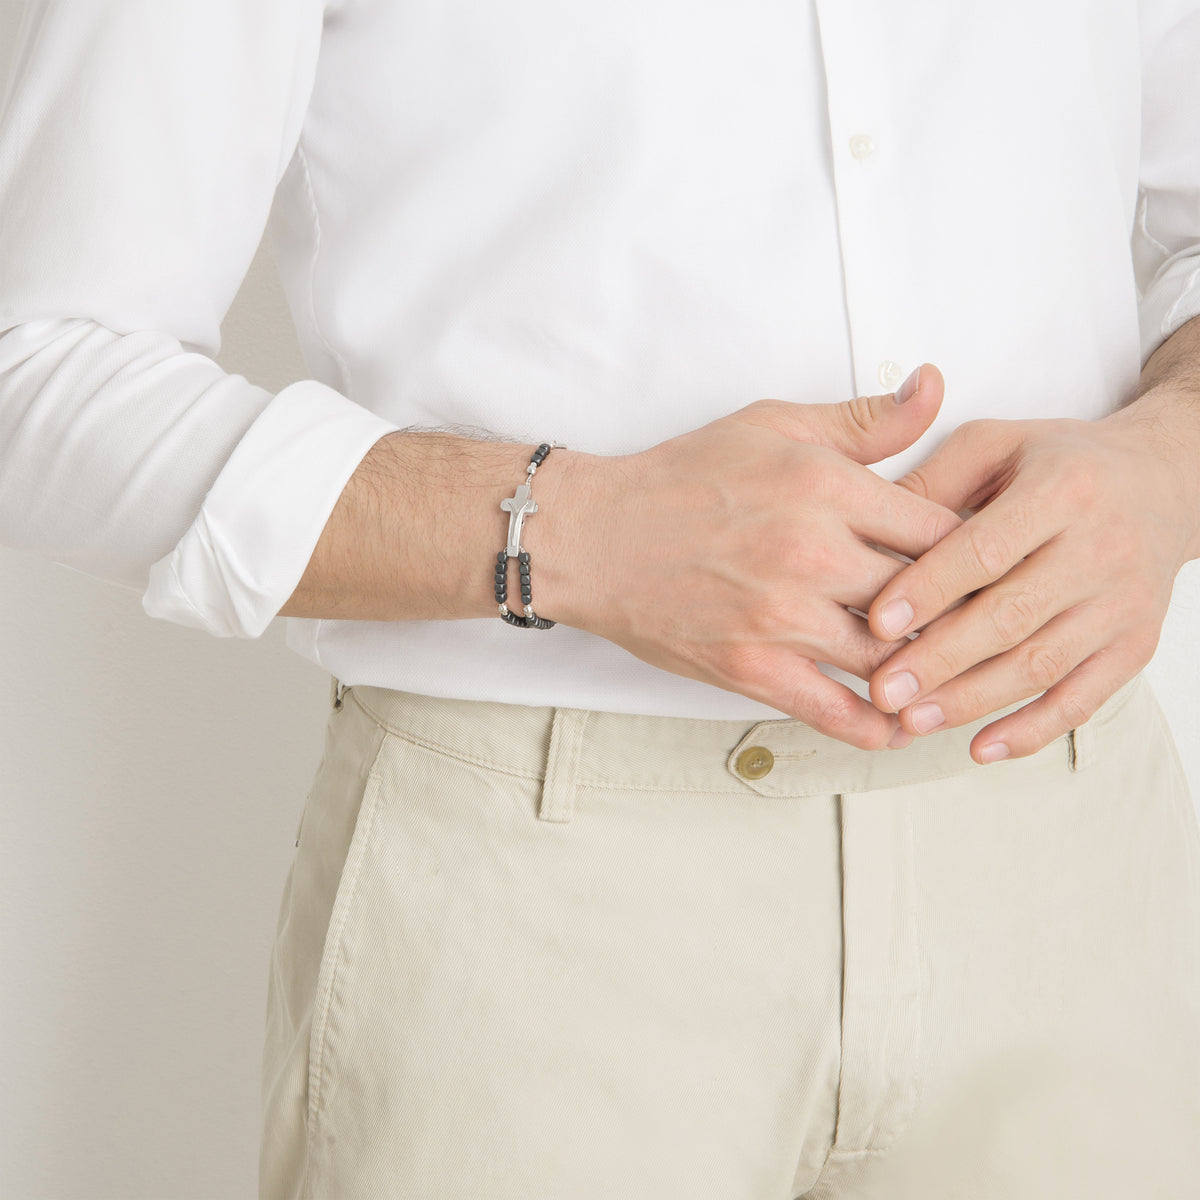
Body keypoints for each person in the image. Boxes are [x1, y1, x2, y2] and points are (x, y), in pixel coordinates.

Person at [1, 1, 1198, 1197]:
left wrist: (1167, 467)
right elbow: (42, 360)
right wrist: (569, 531)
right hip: (537, 900)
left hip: (1077, 870)